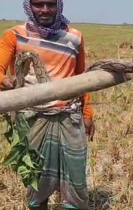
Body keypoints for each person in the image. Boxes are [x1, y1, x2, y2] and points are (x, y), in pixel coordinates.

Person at [0, 0, 95, 209]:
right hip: (33, 118)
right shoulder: (14, 35)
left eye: (50, 4)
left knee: (75, 177)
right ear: (29, 6)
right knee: (37, 179)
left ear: (59, 6)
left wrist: (87, 112)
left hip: (69, 117)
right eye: (38, 4)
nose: (44, 10)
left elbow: (81, 77)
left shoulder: (74, 37)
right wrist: (4, 81)